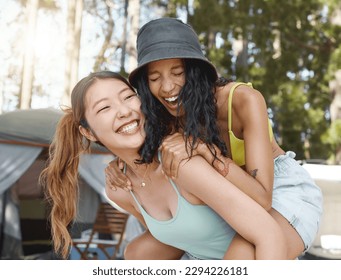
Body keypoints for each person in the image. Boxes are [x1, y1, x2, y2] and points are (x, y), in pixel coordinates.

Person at [105, 17, 323, 259]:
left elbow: (263, 198)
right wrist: (117, 166)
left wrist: (210, 154)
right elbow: (133, 147)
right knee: (138, 253)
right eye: (154, 79)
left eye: (177, 73)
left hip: (279, 192)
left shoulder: (243, 100)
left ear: (195, 71)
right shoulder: (163, 115)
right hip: (224, 201)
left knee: (241, 256)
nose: (167, 88)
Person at [39, 71, 287, 260]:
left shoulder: (183, 163)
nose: (124, 111)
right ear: (88, 132)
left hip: (258, 256)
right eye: (104, 108)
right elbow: (172, 239)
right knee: (135, 253)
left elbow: (269, 233)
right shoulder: (119, 188)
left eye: (128, 97)